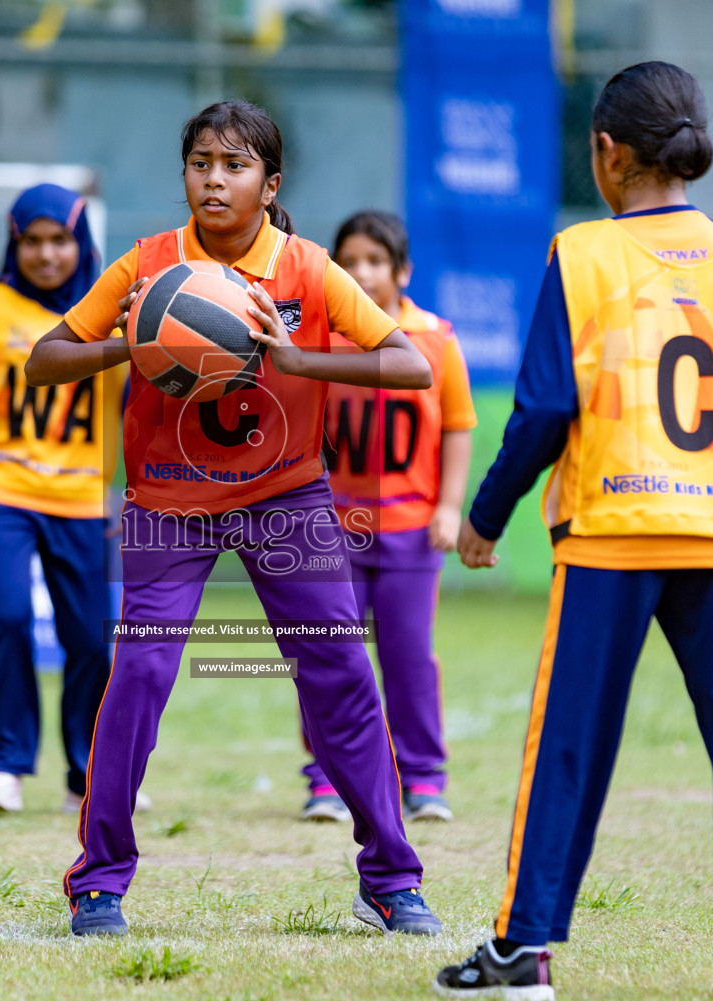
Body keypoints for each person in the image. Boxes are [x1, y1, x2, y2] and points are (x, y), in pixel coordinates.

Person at [433, 62, 713, 1001]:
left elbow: (544, 409)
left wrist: (485, 517)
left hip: (612, 529)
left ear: (607, 153)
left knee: (568, 741)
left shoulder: (582, 255)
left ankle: (524, 951)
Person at [25, 100, 443, 938]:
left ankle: (391, 879)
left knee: (343, 679)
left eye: (235, 165)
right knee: (138, 677)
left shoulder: (308, 270)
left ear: (269, 182)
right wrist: (133, 340)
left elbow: (410, 363)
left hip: (287, 497)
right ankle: (99, 882)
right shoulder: (147, 264)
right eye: (201, 163)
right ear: (184, 174)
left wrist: (298, 358)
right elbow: (44, 362)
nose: (215, 180)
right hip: (167, 503)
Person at [0, 183, 139, 814]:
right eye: (33, 242)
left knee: (88, 641)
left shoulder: (117, 310)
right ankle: (1, 763)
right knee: (11, 616)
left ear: (81, 243)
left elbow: (141, 412)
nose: (47, 255)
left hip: (82, 497)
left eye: (60, 241)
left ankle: (91, 769)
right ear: (14, 244)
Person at [298, 210, 476, 824]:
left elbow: (456, 428)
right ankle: (326, 779)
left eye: (375, 261)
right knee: (327, 651)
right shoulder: (318, 339)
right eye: (348, 262)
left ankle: (423, 777)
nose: (362, 273)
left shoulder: (434, 339)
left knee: (407, 656)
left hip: (409, 530)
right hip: (333, 530)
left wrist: (449, 508)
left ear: (403, 271)